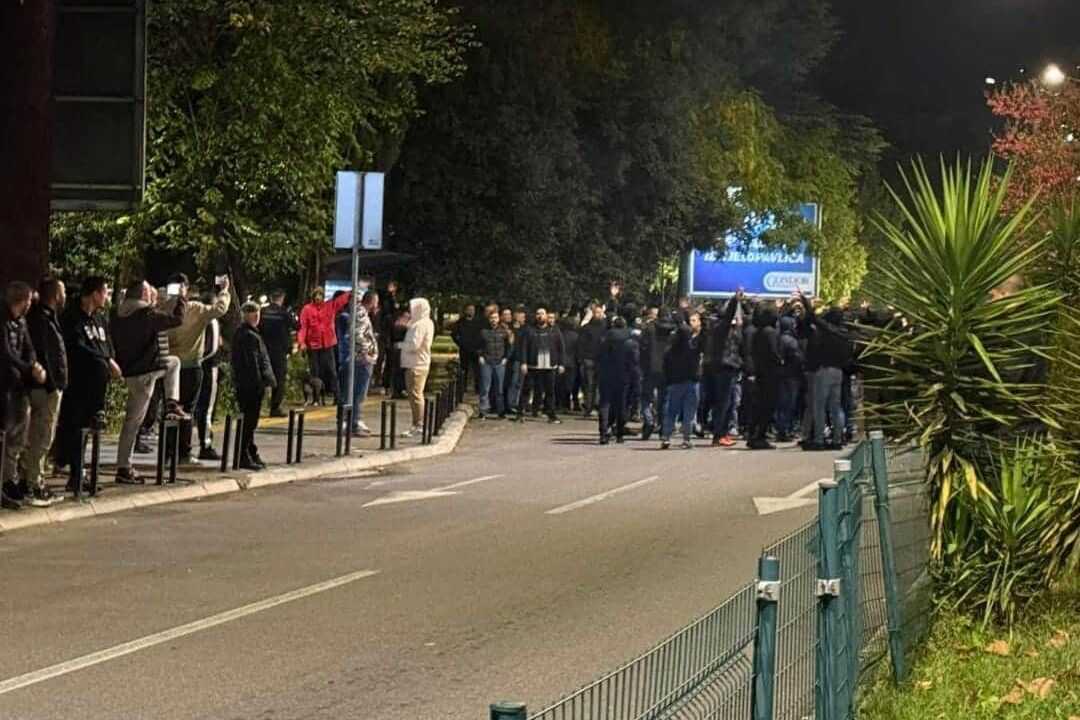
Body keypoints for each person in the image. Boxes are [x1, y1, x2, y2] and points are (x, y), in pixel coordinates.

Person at [111, 279, 188, 484]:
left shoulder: (119, 314)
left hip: (130, 371)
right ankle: (124, 467)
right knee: (133, 422)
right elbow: (176, 320)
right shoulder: (146, 314)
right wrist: (181, 298)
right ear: (143, 295)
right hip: (147, 371)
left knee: (172, 363)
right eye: (148, 292)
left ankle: (171, 403)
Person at [57, 276, 119, 494]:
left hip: (97, 387)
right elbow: (76, 346)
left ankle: (80, 474)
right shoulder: (72, 318)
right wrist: (103, 361)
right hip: (78, 383)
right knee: (75, 429)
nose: (107, 297)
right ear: (94, 294)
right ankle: (74, 474)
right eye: (105, 293)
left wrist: (110, 359)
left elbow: (107, 344)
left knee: (87, 432)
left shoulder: (100, 319)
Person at [165, 274, 230, 464]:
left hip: (168, 367)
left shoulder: (163, 308)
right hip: (191, 365)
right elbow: (220, 309)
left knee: (170, 410)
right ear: (185, 288)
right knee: (187, 411)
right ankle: (183, 453)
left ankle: (168, 451)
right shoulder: (195, 308)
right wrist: (224, 291)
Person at [1, 282, 48, 510]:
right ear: (22, 300)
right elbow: (5, 353)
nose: (31, 304)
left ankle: (9, 481)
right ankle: (5, 482)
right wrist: (29, 369)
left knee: (18, 436)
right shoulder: (3, 320)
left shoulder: (21, 321)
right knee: (5, 434)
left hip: (19, 385)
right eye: (29, 300)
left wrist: (34, 366)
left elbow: (28, 348)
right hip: (4, 385)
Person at [21, 277, 66, 506]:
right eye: (63, 292)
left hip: (45, 385)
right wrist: (52, 384)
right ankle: (34, 483)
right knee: (42, 435)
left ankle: (29, 479)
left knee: (36, 435)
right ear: (56, 295)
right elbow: (46, 353)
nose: (65, 296)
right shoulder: (43, 320)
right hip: (45, 387)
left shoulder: (45, 318)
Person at [797, 290, 851, 450]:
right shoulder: (844, 334)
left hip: (824, 370)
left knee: (819, 406)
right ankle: (837, 439)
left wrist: (805, 300)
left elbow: (813, 317)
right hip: (838, 371)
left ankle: (819, 439)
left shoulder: (828, 330)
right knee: (836, 406)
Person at [231, 302, 276, 470]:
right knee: (249, 423)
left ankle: (250, 452)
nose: (256, 315)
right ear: (244, 314)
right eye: (251, 312)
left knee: (250, 422)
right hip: (250, 386)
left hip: (250, 384)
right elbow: (252, 364)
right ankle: (243, 456)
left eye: (257, 312)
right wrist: (260, 385)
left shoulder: (251, 333)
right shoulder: (248, 335)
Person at [297, 286, 352, 406]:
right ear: (313, 297)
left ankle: (337, 397)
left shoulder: (329, 306)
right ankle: (316, 399)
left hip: (328, 344)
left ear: (323, 296)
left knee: (332, 371)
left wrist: (352, 292)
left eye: (320, 295)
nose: (318, 297)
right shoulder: (307, 309)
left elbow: (340, 301)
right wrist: (302, 342)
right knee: (315, 373)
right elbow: (303, 327)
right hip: (313, 346)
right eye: (316, 295)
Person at [660, 311, 704, 450]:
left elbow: (665, 366)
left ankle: (666, 437)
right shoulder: (694, 348)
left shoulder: (670, 350)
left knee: (671, 411)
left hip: (675, 382)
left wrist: (668, 380)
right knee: (689, 412)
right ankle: (687, 438)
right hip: (692, 382)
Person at [342, 291, 380, 436]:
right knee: (359, 393)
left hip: (360, 358)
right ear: (372, 301)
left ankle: (353, 421)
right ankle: (354, 423)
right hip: (362, 359)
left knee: (356, 392)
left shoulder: (360, 313)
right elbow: (356, 333)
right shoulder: (361, 314)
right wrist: (365, 352)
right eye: (376, 301)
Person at [519, 307, 565, 423]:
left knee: (550, 392)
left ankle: (551, 415)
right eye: (538, 314)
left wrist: (561, 364)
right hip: (533, 366)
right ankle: (520, 414)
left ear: (546, 316)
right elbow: (524, 347)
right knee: (526, 390)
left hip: (550, 366)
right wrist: (523, 362)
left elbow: (561, 348)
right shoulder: (529, 330)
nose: (540, 316)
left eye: (542, 314)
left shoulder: (554, 331)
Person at [708, 294, 743, 447]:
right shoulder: (720, 328)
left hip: (732, 367)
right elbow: (728, 317)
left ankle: (723, 433)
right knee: (723, 403)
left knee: (730, 403)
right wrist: (735, 301)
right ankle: (718, 434)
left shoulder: (731, 330)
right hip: (724, 368)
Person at [597, 316, 637, 444]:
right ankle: (619, 434)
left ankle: (603, 433)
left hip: (606, 375)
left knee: (605, 404)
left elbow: (598, 356)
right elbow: (634, 360)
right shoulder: (630, 340)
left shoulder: (605, 339)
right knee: (621, 405)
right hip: (623, 376)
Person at [398, 298, 434, 437]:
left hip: (416, 364)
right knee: (415, 394)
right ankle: (418, 423)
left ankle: (418, 424)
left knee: (415, 395)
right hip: (418, 363)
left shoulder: (419, 325)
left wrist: (399, 345)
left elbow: (414, 345)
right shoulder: (426, 322)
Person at [747, 305, 782, 450]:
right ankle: (759, 436)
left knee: (759, 405)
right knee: (768, 406)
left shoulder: (757, 332)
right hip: (770, 373)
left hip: (760, 372)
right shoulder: (770, 332)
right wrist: (781, 361)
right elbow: (774, 353)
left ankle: (753, 435)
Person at [259, 290, 295, 417]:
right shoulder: (284, 313)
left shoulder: (262, 312)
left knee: (261, 377)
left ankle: (257, 406)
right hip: (279, 351)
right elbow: (295, 326)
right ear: (282, 298)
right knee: (279, 379)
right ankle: (275, 408)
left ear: (270, 298)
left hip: (263, 349)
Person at [195, 299, 222, 461]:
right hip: (209, 366)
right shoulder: (210, 321)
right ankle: (205, 444)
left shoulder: (196, 319)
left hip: (195, 365)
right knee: (206, 407)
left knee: (196, 407)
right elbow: (211, 348)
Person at [476, 307, 511, 419]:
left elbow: (509, 346)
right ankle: (483, 411)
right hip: (486, 362)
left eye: (495, 318)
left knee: (499, 389)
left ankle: (501, 411)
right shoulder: (483, 331)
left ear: (499, 318)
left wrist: (506, 358)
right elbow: (478, 345)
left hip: (500, 362)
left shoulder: (504, 331)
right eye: (491, 318)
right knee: (485, 388)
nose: (493, 320)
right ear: (489, 319)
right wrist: (480, 356)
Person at [776, 314, 804, 442]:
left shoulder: (778, 338)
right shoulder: (791, 341)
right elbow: (798, 358)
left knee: (782, 403)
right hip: (792, 375)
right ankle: (785, 429)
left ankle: (781, 429)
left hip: (780, 374)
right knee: (789, 404)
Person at [577, 302, 607, 416]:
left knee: (596, 386)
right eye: (597, 312)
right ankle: (590, 407)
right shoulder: (587, 328)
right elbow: (581, 344)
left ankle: (595, 407)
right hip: (589, 359)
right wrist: (582, 358)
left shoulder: (605, 328)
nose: (599, 315)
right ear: (593, 314)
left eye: (600, 312)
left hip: (599, 360)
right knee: (590, 385)